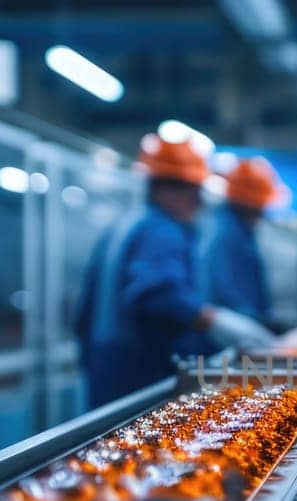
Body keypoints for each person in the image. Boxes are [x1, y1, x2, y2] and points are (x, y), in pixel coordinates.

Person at [74, 137, 275, 409]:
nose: (198, 202)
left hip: (106, 372)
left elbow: (83, 312)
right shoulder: (161, 230)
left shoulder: (125, 225)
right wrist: (216, 321)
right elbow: (160, 294)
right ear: (166, 189)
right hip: (140, 375)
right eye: (193, 191)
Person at [201, 157, 287, 326]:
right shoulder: (228, 236)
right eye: (261, 204)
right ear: (250, 203)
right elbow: (227, 296)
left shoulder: (237, 231)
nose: (263, 212)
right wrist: (261, 323)